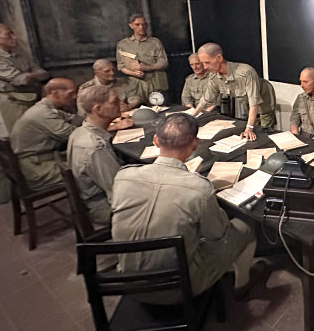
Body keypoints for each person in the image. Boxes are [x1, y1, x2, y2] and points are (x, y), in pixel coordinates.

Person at [111, 114, 270, 304]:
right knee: (244, 225)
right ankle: (242, 283)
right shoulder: (199, 188)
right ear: (195, 144)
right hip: (178, 288)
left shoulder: (123, 176)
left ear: (156, 140)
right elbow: (219, 235)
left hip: (128, 281)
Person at [68, 86, 132, 225]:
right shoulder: (96, 148)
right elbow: (118, 192)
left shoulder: (79, 132)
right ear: (98, 109)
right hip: (103, 207)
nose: (120, 103)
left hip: (93, 196)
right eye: (114, 101)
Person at [10, 78, 81, 192]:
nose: (75, 97)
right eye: (71, 93)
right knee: (89, 171)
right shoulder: (43, 113)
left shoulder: (45, 107)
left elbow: (74, 119)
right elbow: (73, 134)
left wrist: (89, 112)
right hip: (37, 169)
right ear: (55, 93)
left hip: (41, 160)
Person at [0, 23, 49, 132]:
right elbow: (21, 80)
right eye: (8, 34)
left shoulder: (19, 53)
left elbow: (43, 73)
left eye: (13, 33)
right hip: (16, 102)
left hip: (33, 98)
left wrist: (30, 76)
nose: (14, 37)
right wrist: (32, 75)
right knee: (24, 133)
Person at [192, 42, 262, 141]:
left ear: (219, 58)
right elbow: (206, 99)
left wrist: (249, 129)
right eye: (202, 63)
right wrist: (192, 117)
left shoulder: (245, 72)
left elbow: (254, 102)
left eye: (207, 62)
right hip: (246, 104)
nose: (205, 67)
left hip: (262, 104)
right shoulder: (214, 75)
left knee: (263, 131)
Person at [116, 14, 168, 99]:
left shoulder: (155, 42)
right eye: (137, 24)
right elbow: (121, 66)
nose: (141, 27)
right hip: (134, 85)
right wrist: (134, 73)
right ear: (131, 26)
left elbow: (164, 62)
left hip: (154, 83)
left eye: (144, 24)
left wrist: (148, 67)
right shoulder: (123, 44)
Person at [78, 59, 142, 114]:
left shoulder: (122, 83)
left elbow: (135, 98)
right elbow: (82, 112)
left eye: (113, 70)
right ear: (97, 72)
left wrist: (128, 106)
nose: (112, 73)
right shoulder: (86, 88)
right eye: (107, 71)